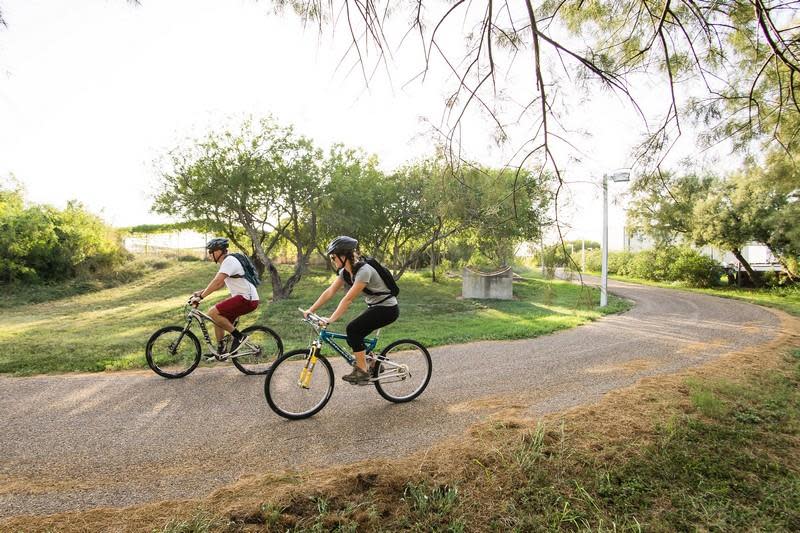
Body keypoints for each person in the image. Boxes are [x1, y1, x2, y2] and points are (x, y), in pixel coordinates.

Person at [303, 236, 399, 384]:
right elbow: (330, 291)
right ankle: (373, 363)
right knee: (353, 336)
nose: (332, 260)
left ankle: (362, 371)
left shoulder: (364, 271)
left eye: (333, 257)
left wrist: (331, 319)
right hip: (375, 307)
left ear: (344, 256)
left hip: (388, 309)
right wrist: (311, 309)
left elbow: (348, 299)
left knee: (353, 330)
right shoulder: (346, 272)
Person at [192, 238, 259, 357]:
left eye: (211, 251)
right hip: (244, 298)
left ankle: (240, 337)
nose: (209, 255)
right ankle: (221, 351)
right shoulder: (227, 262)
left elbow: (217, 282)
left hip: (247, 299)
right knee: (218, 319)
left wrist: (201, 297)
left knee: (213, 312)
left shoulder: (229, 261)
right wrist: (200, 292)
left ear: (218, 251)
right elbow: (221, 283)